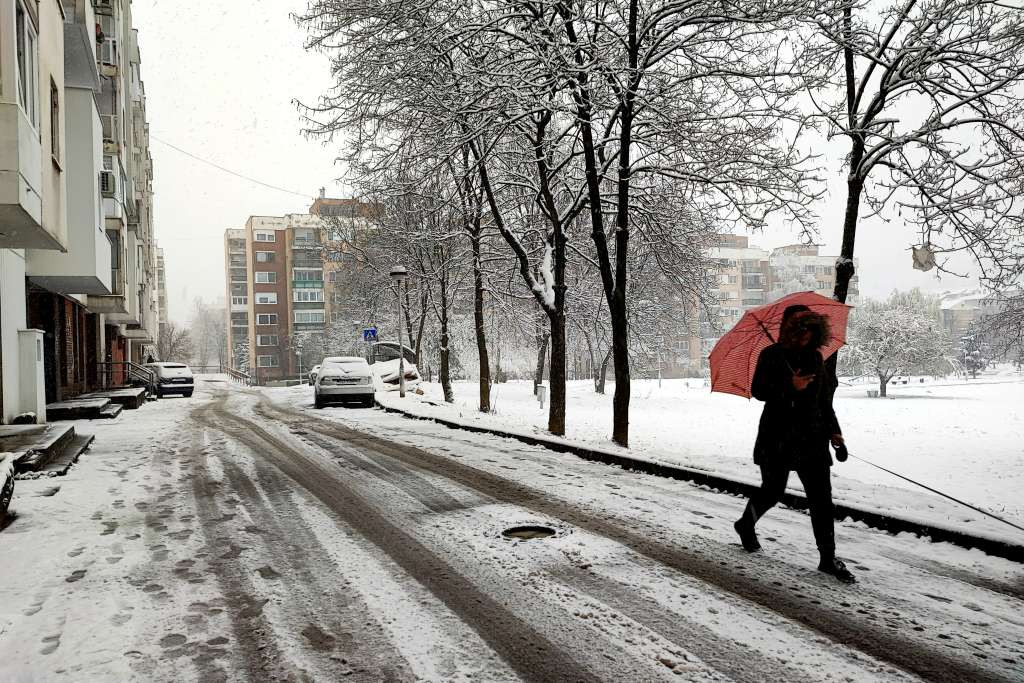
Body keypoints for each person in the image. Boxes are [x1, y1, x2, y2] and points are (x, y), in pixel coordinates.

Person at [733, 304, 855, 584]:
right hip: (777, 437)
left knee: (822, 498)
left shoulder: (815, 358)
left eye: (811, 333)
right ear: (789, 331)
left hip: (812, 439)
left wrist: (835, 432)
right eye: (801, 333)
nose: (806, 339)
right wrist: (790, 385)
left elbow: (824, 402)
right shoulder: (771, 356)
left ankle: (827, 558)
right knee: (773, 491)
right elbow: (759, 391)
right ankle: (746, 524)